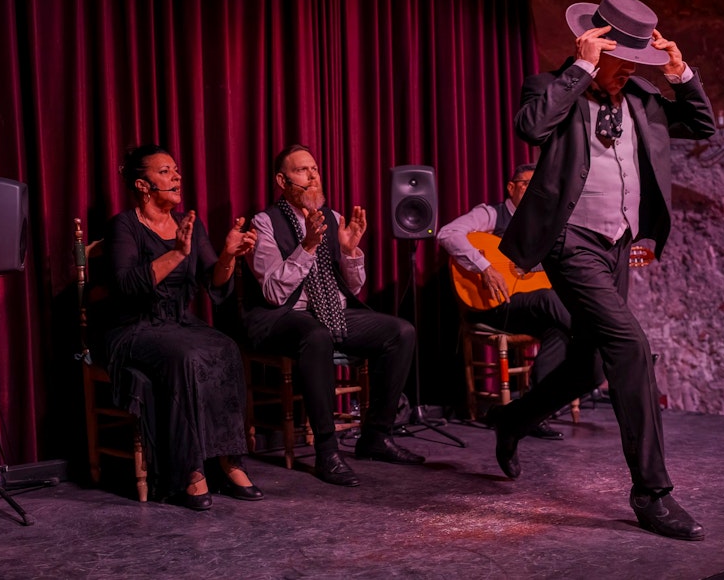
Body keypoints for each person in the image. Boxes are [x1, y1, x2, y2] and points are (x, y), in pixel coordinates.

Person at [492, 0, 716, 541]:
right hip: (569, 242)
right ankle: (651, 492)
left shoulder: (642, 97)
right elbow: (531, 128)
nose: (630, 71)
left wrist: (680, 72)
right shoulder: (550, 87)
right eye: (622, 60)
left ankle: (513, 419)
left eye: (638, 61)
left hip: (617, 244)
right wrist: (583, 69)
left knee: (590, 366)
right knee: (631, 346)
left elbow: (702, 124)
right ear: (596, 46)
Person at [242, 144, 424, 488]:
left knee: (401, 332)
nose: (313, 176)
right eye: (302, 170)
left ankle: (377, 435)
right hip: (284, 315)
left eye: (314, 169)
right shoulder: (265, 223)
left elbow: (352, 289)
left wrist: (351, 251)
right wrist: (308, 246)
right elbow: (274, 293)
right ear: (282, 181)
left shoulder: (333, 217)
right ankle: (327, 451)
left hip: (333, 310)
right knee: (316, 335)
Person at [104, 145, 261, 511]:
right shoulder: (124, 226)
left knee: (225, 348)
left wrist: (228, 255)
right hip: (134, 327)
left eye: (175, 170)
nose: (176, 177)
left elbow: (214, 281)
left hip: (177, 321)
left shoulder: (190, 223)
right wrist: (176, 253)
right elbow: (125, 286)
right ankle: (189, 471)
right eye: (165, 171)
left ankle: (229, 461)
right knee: (185, 357)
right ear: (142, 185)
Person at [438, 163, 592, 440]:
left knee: (559, 330)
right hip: (490, 305)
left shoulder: (543, 226)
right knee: (550, 300)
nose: (533, 192)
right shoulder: (491, 214)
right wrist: (484, 267)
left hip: (523, 309)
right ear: (511, 187)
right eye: (526, 185)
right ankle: (601, 342)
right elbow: (447, 234)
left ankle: (532, 413)